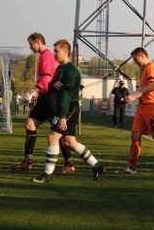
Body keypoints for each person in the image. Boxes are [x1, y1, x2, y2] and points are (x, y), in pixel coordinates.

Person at [33, 39, 105, 183]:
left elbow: (65, 94)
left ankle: (47, 174)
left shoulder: (71, 71)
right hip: (64, 107)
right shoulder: (60, 68)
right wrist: (55, 85)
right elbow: (53, 85)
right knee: (70, 142)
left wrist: (63, 116)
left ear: (65, 52)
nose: (54, 54)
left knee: (53, 137)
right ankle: (97, 166)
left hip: (69, 108)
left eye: (57, 51)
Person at [14, 33, 74, 174]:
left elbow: (47, 77)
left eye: (31, 44)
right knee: (30, 124)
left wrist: (33, 91)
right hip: (44, 98)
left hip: (50, 98)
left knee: (59, 132)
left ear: (37, 42)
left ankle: (69, 164)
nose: (30, 47)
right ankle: (28, 162)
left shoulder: (46, 55)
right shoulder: (46, 55)